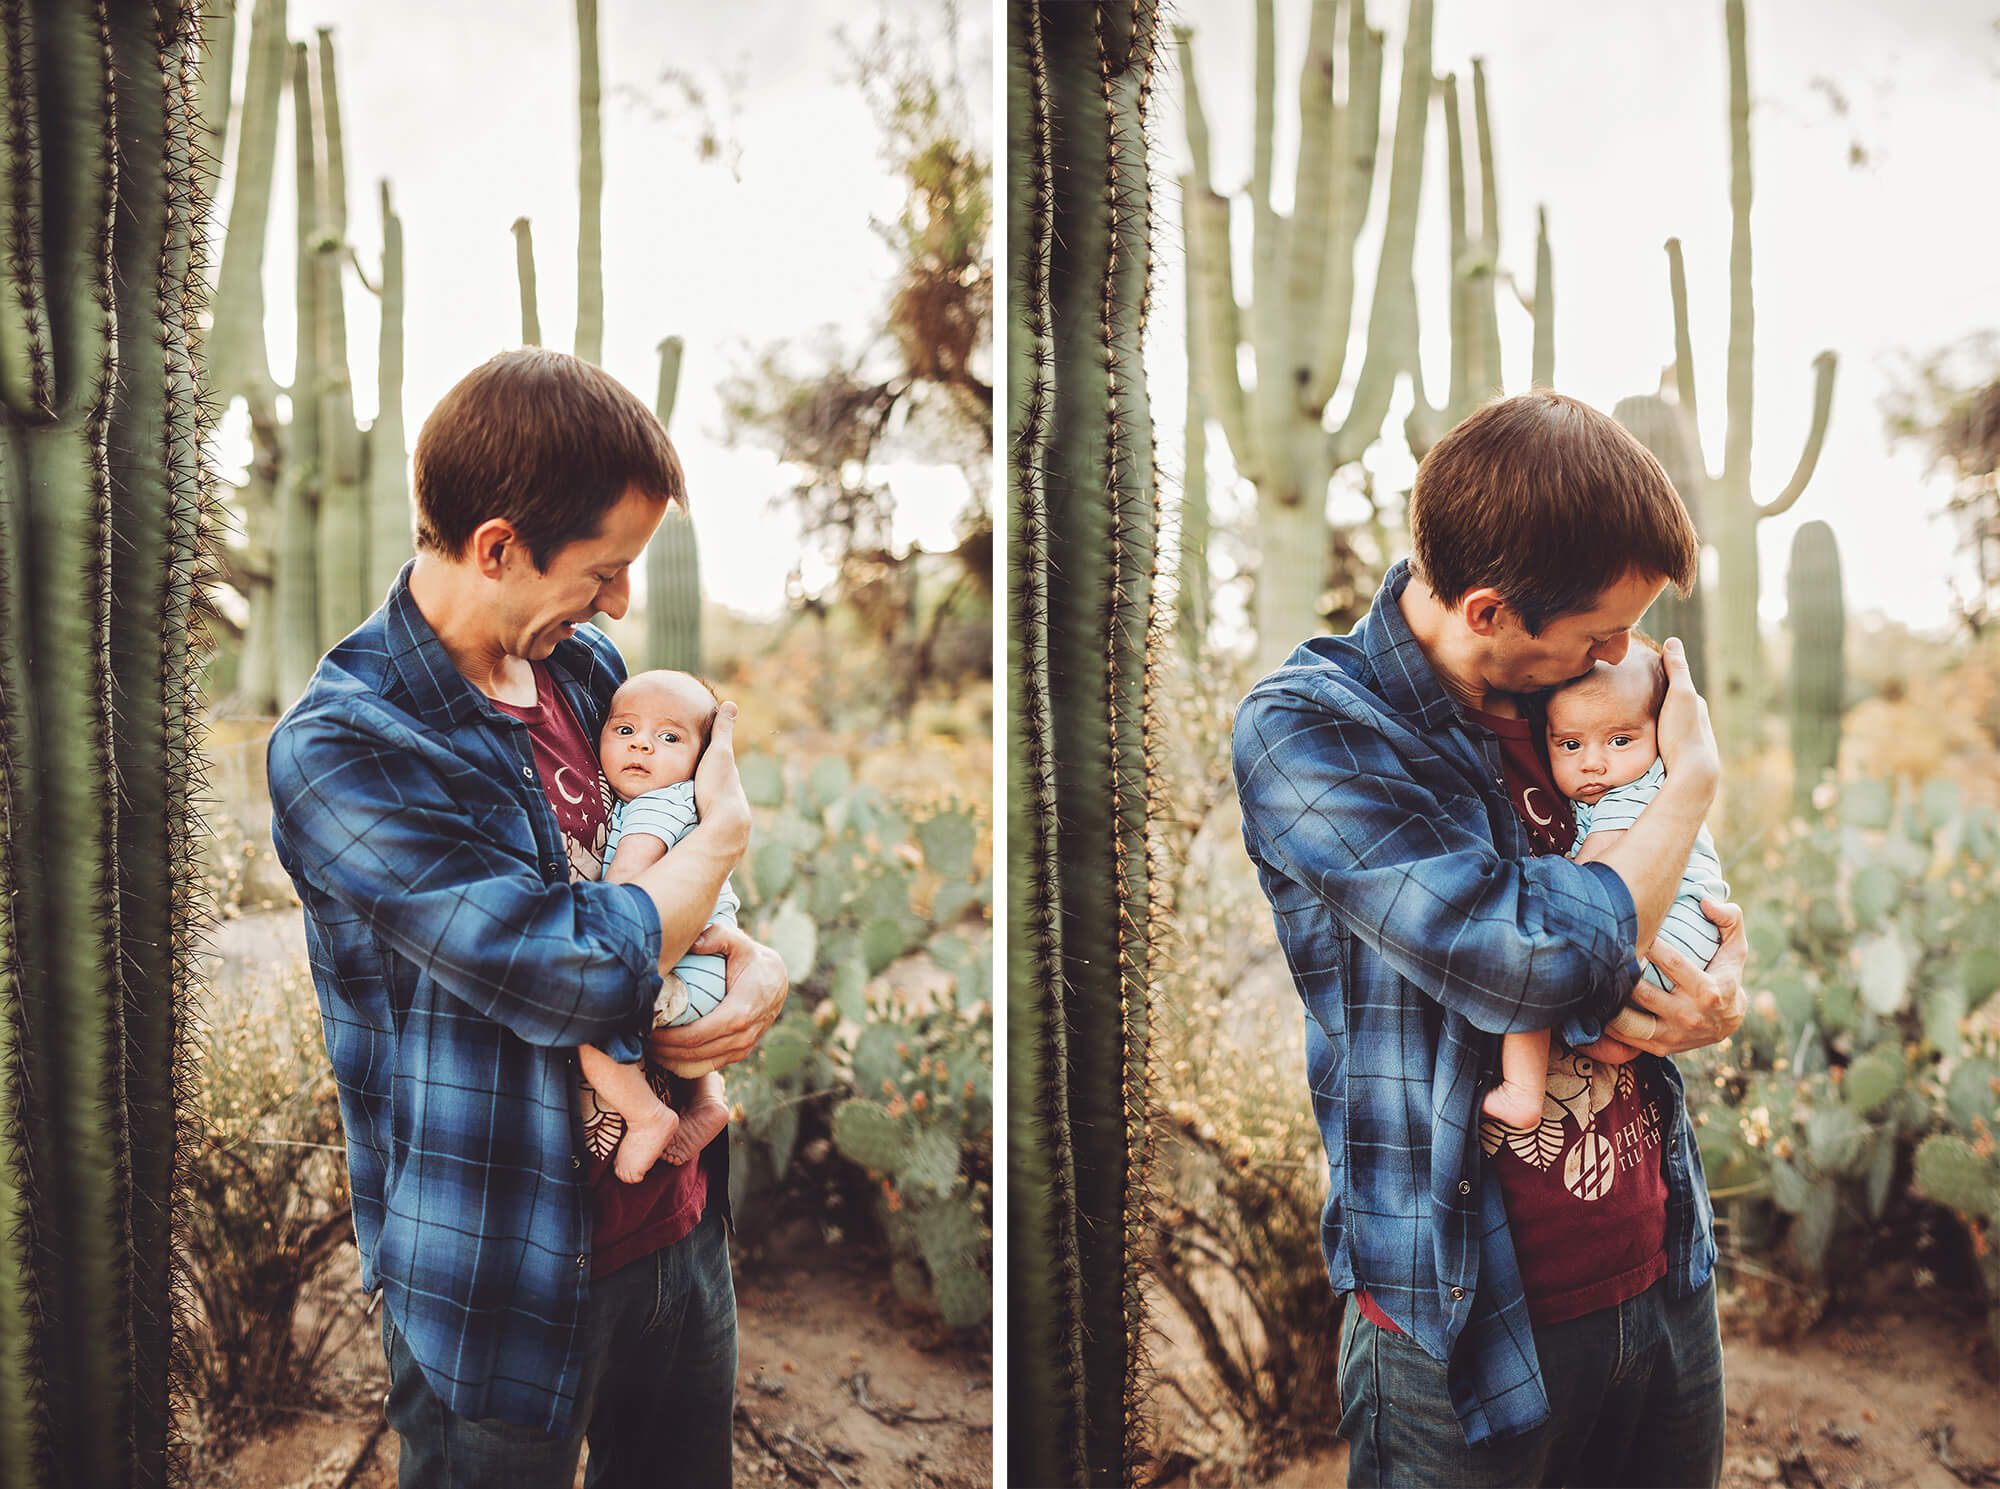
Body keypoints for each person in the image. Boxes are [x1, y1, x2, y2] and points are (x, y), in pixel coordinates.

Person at [268, 347, 787, 1489]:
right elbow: (568, 964)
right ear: (497, 545)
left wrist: (755, 964)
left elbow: (660, 878)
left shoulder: (587, 669)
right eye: (604, 570)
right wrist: (726, 836)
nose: (619, 604)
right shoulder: (346, 746)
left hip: (677, 1229)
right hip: (499, 1277)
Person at [1231, 390, 1747, 1488]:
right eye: (1598, 632)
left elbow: (1670, 890)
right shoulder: (1312, 729)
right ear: (1484, 610)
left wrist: (1712, 985)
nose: (1623, 655)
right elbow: (1533, 960)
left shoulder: (1575, 693)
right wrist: (1690, 782)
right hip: (1462, 1319)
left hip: (1659, 1271)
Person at [1482, 639, 1730, 1131]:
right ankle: (1612, 1040)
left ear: (1662, 734)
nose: (1593, 762)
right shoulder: (1635, 783)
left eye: (1620, 741)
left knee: (1536, 942)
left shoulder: (1634, 795)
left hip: (1665, 950)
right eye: (1571, 745)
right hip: (1682, 952)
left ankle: (1521, 1093)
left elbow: (1586, 895)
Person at [580, 668, 738, 1181]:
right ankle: (707, 1098)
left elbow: (625, 887)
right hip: (707, 967)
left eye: (668, 737)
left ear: (701, 759)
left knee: (582, 1017)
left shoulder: (657, 807)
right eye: (625, 731)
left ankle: (646, 1115)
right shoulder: (671, 802)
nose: (642, 746)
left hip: (686, 970)